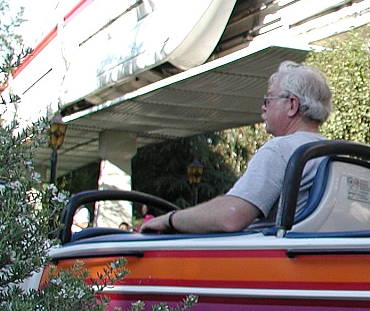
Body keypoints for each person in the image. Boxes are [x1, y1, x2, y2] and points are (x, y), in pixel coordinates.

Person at [141, 61, 332, 234]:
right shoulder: (335, 155)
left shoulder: (281, 150)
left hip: (259, 263)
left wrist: (169, 219)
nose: (263, 108)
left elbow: (230, 216)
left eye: (268, 100)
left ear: (292, 105)